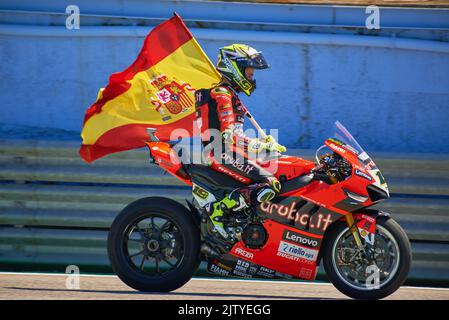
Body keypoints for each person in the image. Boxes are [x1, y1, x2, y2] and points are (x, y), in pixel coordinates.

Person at [194, 44, 287, 238]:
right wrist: (261, 146)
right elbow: (230, 136)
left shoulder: (228, 94)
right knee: (270, 183)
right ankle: (219, 210)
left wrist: (264, 147)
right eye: (249, 71)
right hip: (219, 153)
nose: (252, 77)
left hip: (224, 151)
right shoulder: (222, 94)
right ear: (234, 68)